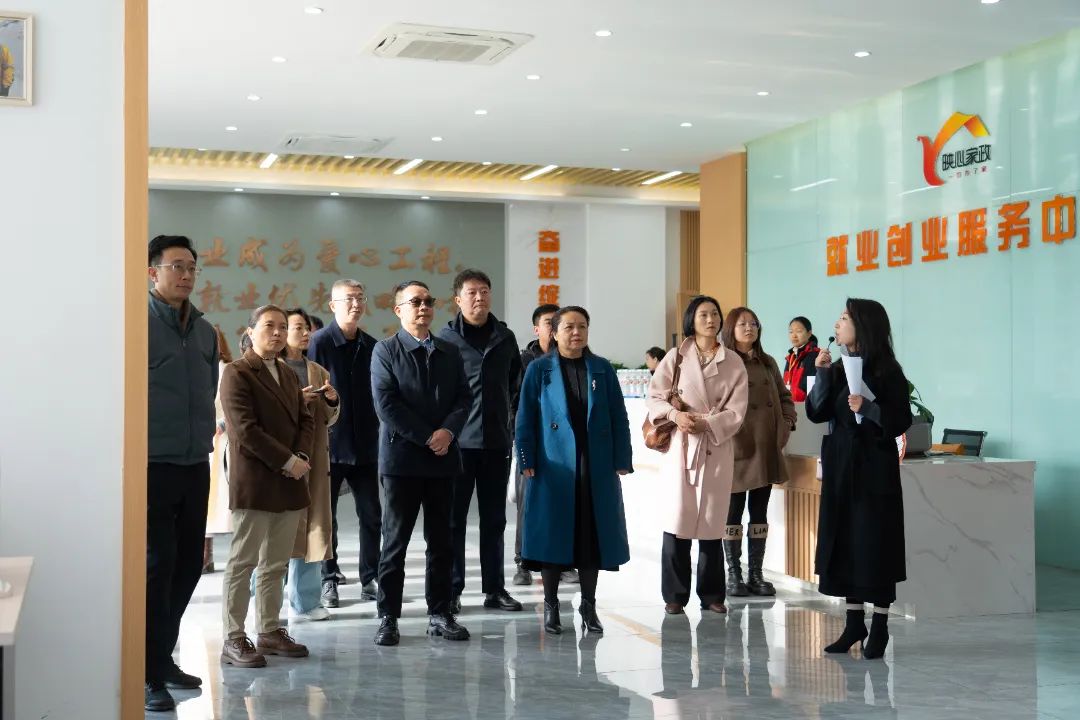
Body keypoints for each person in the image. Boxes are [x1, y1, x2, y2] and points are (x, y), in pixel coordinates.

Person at [515, 306, 633, 635]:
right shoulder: (539, 369)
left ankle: (589, 606)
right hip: (553, 465)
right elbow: (524, 418)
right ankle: (551, 605)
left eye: (582, 326)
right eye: (568, 327)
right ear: (554, 332)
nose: (576, 332)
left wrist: (622, 458)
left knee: (590, 538)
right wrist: (526, 459)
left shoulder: (601, 369)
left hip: (595, 465)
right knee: (552, 535)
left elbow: (618, 416)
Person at [805, 299, 911, 660]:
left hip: (874, 468)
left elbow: (901, 419)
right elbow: (816, 412)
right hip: (840, 468)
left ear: (863, 325)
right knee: (846, 542)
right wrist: (821, 374)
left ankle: (879, 626)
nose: (837, 324)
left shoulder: (887, 369)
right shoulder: (835, 368)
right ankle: (854, 624)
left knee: (874, 544)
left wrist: (870, 409)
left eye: (844, 318)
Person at [370, 280, 472, 646]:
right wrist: (429, 436)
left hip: (443, 461)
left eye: (428, 301)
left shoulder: (449, 351)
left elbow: (464, 398)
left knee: (442, 542)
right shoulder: (385, 350)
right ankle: (388, 617)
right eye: (416, 302)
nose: (424, 307)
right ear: (398, 310)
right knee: (395, 542)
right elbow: (387, 404)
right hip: (402, 461)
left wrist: (448, 432)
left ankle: (440, 613)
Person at [145, 235, 219, 712]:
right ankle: (148, 671)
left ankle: (161, 656)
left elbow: (209, 390)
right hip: (152, 464)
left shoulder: (206, 331)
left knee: (190, 564)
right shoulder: (137, 324)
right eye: (177, 266)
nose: (187, 275)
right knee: (158, 566)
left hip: (195, 462)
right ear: (153, 272)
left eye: (191, 267)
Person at [218, 305, 315, 668]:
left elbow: (306, 419)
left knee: (275, 563)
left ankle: (270, 630)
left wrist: (300, 456)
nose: (277, 333)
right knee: (243, 562)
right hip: (257, 480)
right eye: (269, 326)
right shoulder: (237, 372)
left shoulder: (287, 372)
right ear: (250, 331)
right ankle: (233, 637)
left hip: (290, 480)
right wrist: (287, 461)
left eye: (282, 327)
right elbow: (245, 430)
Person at [646, 296, 748, 616]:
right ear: (692, 320)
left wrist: (707, 423)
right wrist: (675, 416)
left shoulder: (733, 361)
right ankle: (674, 595)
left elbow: (738, 411)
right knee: (677, 519)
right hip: (682, 447)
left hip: (715, 446)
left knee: (712, 524)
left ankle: (712, 594)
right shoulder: (676, 357)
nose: (710, 319)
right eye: (703, 314)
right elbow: (655, 398)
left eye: (715, 314)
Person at [437, 269, 524, 614]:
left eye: (484, 291)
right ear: (458, 299)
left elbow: (516, 384)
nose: (479, 298)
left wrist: (510, 423)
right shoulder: (445, 339)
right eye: (472, 292)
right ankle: (453, 589)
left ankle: (495, 589)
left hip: (496, 443)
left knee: (494, 520)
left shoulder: (505, 337)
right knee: (453, 521)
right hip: (457, 444)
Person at [307, 279, 381, 609]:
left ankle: (371, 577)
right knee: (327, 518)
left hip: (365, 444)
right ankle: (328, 577)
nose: (355, 304)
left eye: (360, 298)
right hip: (330, 445)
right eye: (348, 298)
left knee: (372, 515)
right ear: (332, 305)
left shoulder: (371, 345)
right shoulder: (319, 343)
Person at [720, 307, 796, 598]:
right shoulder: (724, 362)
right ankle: (733, 574)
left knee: (759, 512)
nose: (749, 328)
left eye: (753, 323)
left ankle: (755, 574)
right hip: (736, 446)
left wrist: (786, 423)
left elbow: (785, 396)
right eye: (742, 324)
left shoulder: (767, 362)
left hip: (766, 446)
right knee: (733, 512)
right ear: (731, 329)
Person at [281, 308, 340, 621]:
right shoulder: (269, 369)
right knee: (277, 533)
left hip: (313, 458)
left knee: (313, 531)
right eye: (298, 328)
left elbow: (328, 418)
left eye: (306, 328)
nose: (306, 333)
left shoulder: (317, 370)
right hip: (280, 459)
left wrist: (331, 401)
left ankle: (305, 602)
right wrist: (295, 401)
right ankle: (265, 601)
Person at [512, 303, 574, 588]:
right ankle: (523, 562)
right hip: (534, 442)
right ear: (537, 329)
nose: (554, 327)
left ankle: (562, 562)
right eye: (549, 322)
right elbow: (516, 402)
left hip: (564, 446)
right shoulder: (525, 361)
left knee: (563, 503)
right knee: (528, 503)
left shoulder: (572, 359)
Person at [203, 325, 235, 575]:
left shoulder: (226, 370)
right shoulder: (198, 367)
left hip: (221, 442)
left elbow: (231, 406)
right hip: (202, 441)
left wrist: (220, 425)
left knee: (224, 503)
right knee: (204, 502)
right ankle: (206, 556)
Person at [784, 316, 820, 402]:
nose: (794, 335)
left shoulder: (815, 355)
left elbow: (812, 388)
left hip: (805, 406)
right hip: (789, 405)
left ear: (809, 333)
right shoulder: (790, 357)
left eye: (799, 331)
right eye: (791, 332)